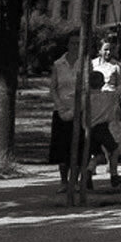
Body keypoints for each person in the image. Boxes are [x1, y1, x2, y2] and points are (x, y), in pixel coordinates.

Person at [49, 34, 82, 193]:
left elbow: (87, 88)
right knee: (61, 147)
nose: (75, 46)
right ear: (68, 45)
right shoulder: (58, 64)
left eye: (78, 43)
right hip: (61, 110)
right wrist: (60, 106)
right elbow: (53, 88)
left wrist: (78, 107)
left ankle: (74, 182)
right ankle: (63, 181)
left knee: (77, 146)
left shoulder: (84, 63)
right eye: (73, 43)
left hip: (78, 110)